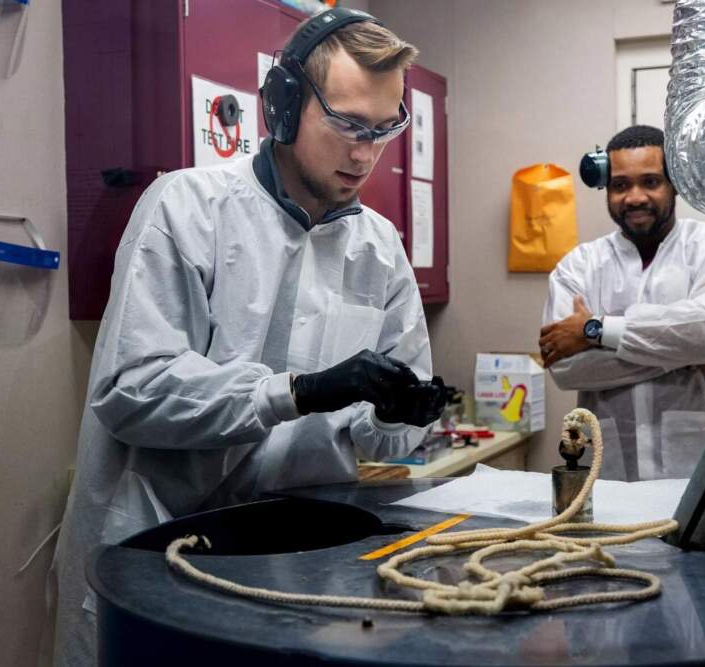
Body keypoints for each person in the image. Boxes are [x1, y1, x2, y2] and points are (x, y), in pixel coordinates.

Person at [50, 9, 444, 665]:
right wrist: (300, 392)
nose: (364, 153)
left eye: (384, 129)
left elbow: (385, 440)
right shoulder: (187, 209)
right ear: (283, 106)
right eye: (347, 123)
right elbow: (130, 390)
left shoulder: (380, 250)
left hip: (300, 566)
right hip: (157, 556)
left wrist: (403, 414)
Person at [539, 125, 705, 482]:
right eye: (621, 185)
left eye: (651, 182)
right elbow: (566, 369)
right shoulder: (578, 266)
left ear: (675, 184)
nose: (635, 197)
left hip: (700, 473)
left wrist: (595, 330)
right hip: (611, 474)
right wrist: (690, 354)